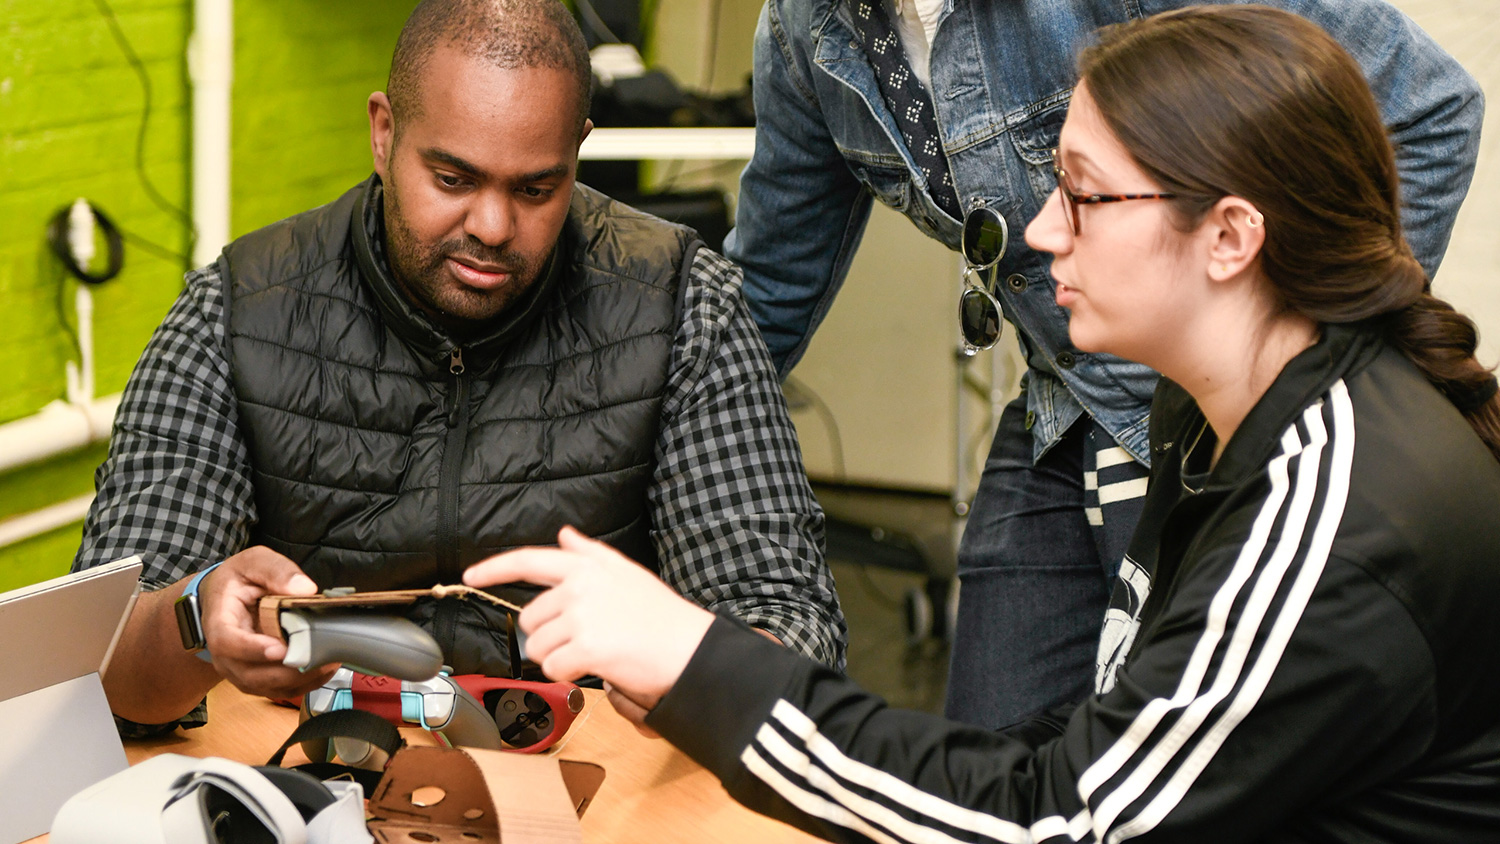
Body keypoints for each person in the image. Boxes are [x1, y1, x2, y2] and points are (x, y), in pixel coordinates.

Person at [466, 6, 1500, 840]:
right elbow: (1067, 759)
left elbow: (1058, 819)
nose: (1037, 235)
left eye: (1083, 195)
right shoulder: (1220, 415)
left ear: (1232, 235)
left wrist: (706, 666)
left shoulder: (1322, 515)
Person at [73, 0, 845, 732]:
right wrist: (197, 621)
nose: (492, 226)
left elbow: (789, 626)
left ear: (578, 148)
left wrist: (691, 670)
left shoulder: (680, 306)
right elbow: (96, 665)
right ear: (383, 133)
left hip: (595, 789)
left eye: (536, 189)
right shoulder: (238, 312)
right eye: (453, 179)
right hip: (314, 786)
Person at [726, 0, 1483, 729]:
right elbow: (768, 289)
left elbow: (1433, 110)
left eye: (1080, 190)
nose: (1049, 231)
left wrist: (1284, 382)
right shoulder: (805, 30)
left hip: (1214, 415)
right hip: (1066, 395)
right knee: (1003, 734)